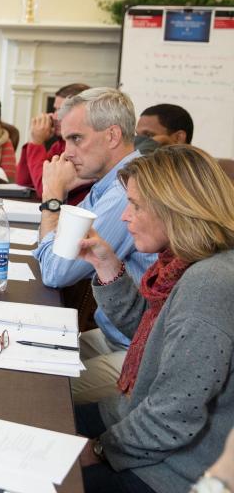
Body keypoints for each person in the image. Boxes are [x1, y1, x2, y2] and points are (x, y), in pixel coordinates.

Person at [74, 145, 234, 493]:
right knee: (39, 416)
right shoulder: (185, 263)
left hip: (171, 469)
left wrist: (100, 449)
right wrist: (106, 264)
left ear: (176, 209)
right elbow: (153, 339)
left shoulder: (210, 282)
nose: (124, 217)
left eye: (136, 206)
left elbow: (172, 417)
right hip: (138, 419)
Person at [34, 87, 158, 404]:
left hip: (140, 347)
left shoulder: (125, 190)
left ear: (112, 135)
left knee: (41, 395)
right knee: (31, 358)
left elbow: (56, 270)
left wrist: (52, 198)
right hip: (115, 332)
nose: (67, 152)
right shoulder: (111, 180)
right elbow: (57, 248)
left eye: (77, 139)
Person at [16, 82, 93, 204]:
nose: (54, 116)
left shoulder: (78, 148)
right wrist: (33, 141)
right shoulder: (59, 145)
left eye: (61, 110)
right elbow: (24, 181)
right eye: (55, 109)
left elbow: (46, 189)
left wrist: (36, 143)